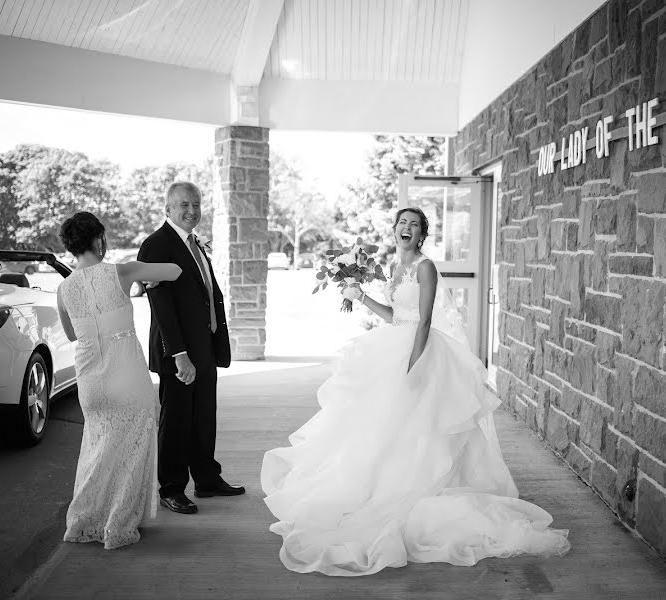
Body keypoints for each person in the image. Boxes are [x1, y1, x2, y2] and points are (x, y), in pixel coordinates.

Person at [260, 207, 570, 576]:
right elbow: (396, 316)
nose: (406, 229)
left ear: (422, 234)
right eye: (402, 223)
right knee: (382, 426)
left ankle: (422, 487)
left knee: (420, 428)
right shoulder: (393, 268)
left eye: (414, 225)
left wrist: (415, 363)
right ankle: (375, 488)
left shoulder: (425, 267)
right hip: (391, 345)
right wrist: (360, 296)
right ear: (394, 231)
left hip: (419, 351)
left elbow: (423, 320)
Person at [56, 211, 181, 549]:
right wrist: (144, 278)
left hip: (91, 380)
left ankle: (83, 522)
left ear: (70, 247)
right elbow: (174, 270)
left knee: (97, 449)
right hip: (126, 373)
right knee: (132, 446)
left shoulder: (64, 288)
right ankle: (119, 525)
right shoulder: (122, 271)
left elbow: (71, 334)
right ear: (100, 240)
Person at [138, 182, 244, 516]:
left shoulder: (194, 243)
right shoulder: (156, 245)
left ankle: (207, 479)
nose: (191, 211)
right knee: (177, 421)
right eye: (184, 205)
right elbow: (162, 306)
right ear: (167, 208)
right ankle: (171, 488)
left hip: (204, 347)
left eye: (196, 205)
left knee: (203, 418)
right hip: (178, 352)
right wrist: (179, 354)